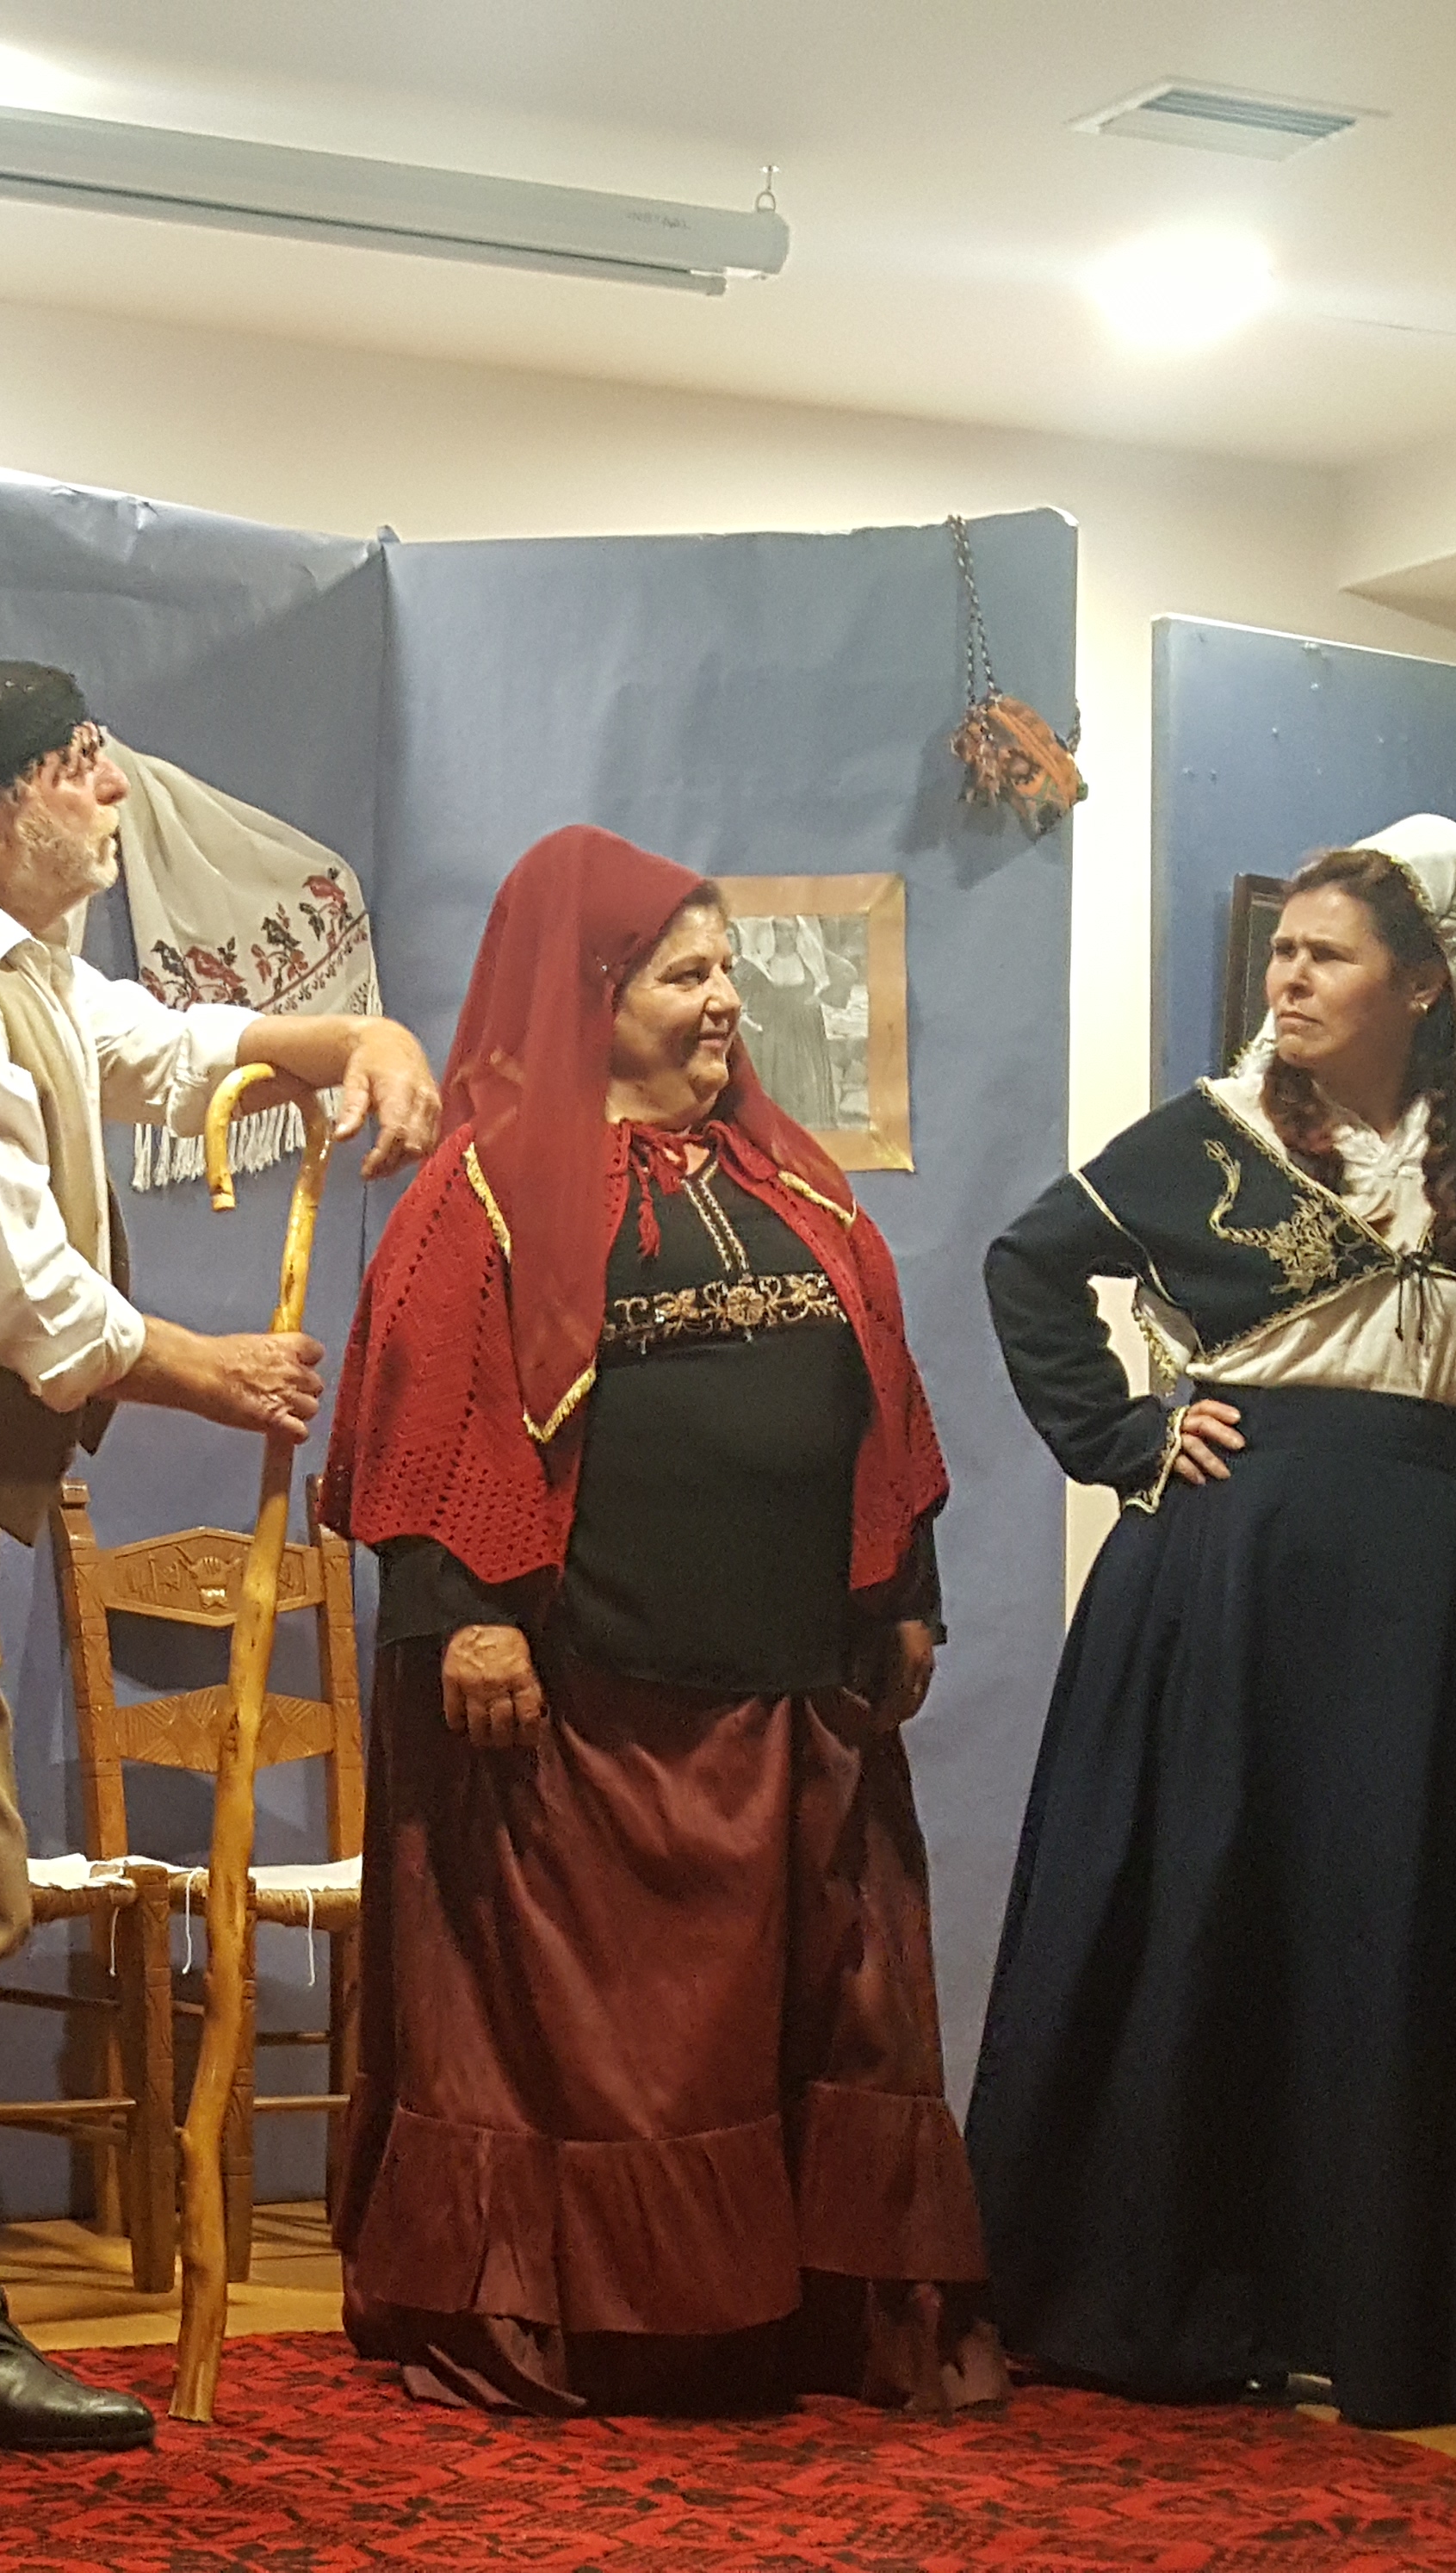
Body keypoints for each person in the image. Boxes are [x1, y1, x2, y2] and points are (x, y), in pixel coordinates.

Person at [0, 660, 438, 2452]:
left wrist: (343, 1042)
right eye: (81, 771)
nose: (114, 799)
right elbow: (9, 1285)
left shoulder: (4, 963)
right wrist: (213, 1370)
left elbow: (151, 1047)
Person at [319, 824, 1001, 2420]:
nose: (723, 1002)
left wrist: (902, 1594)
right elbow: (428, 1418)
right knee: (609, 2034)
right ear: (591, 990)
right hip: (579, 1714)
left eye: (727, 971)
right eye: (684, 973)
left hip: (787, 1698)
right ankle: (620, 2321)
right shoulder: (478, 1192)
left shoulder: (792, 1183)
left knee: (806, 2007)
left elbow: (881, 1398)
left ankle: (789, 2309)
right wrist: (468, 1617)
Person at [964, 834, 1456, 2436]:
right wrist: (1126, 1438)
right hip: (1235, 1568)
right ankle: (1172, 2295)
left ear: (1424, 986)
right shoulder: (1213, 1137)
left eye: (1329, 955)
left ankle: (1394, 2316)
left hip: (1441, 1563)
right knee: (1217, 1900)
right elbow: (1031, 1264)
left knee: (1396, 1915)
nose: (1291, 979)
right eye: (1285, 953)